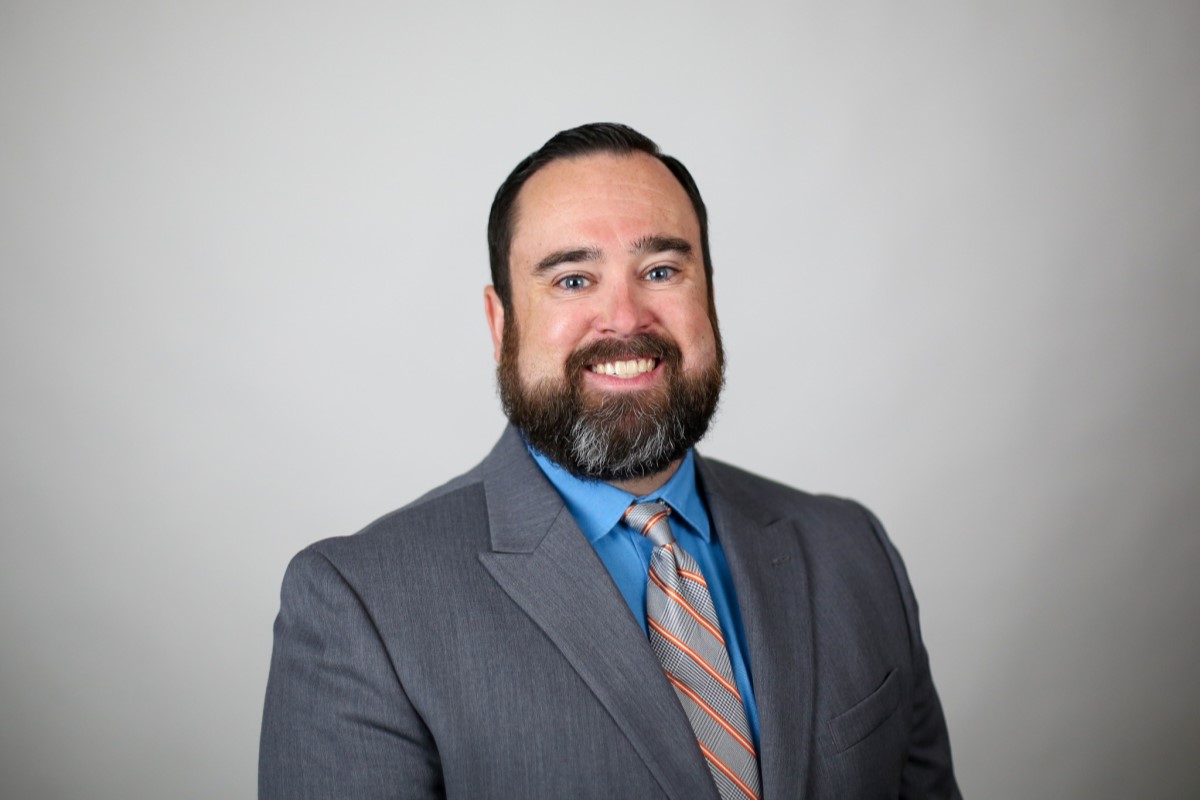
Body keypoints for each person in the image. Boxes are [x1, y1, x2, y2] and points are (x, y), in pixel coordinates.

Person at [259, 122, 961, 799]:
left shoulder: (851, 551)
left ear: (709, 298)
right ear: (499, 323)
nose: (625, 318)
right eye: (571, 280)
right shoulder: (362, 606)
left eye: (661, 270)